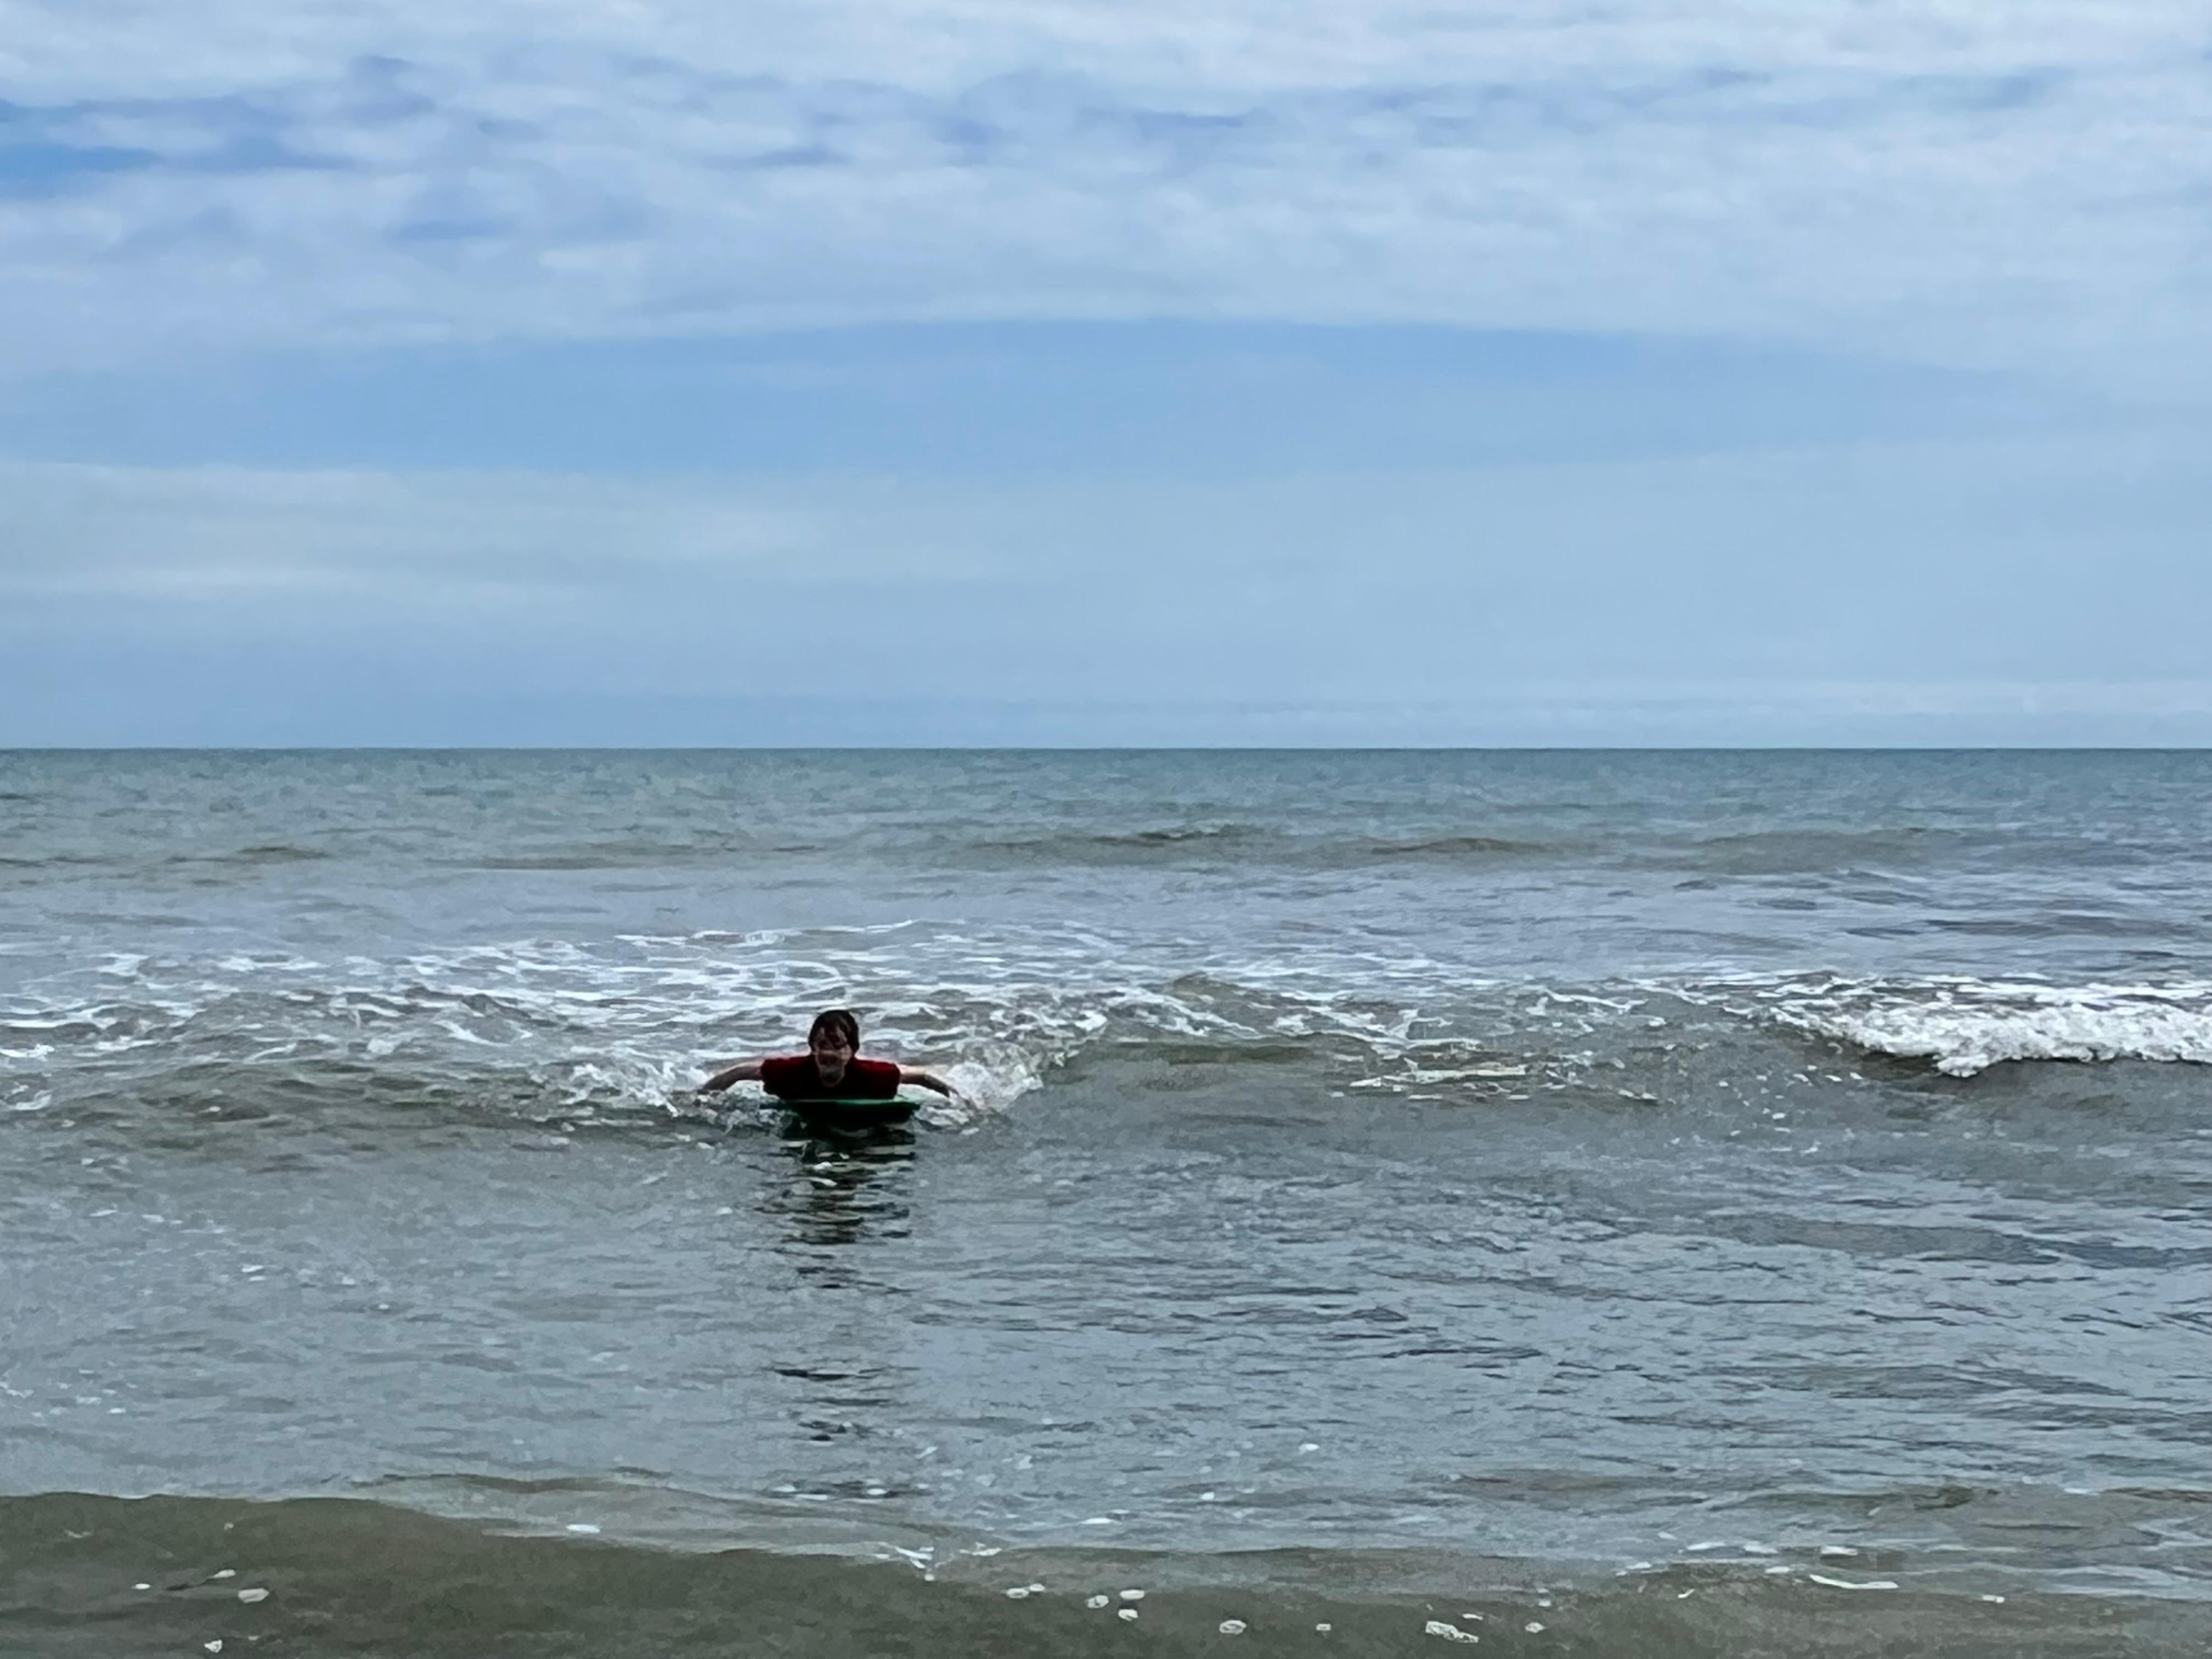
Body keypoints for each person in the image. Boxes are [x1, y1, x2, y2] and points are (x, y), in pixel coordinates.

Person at [697, 1008, 961, 1103]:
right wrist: (700, 1097)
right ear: (812, 1047)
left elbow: (922, 1077)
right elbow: (740, 1073)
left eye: (837, 1045)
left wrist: (965, 1104)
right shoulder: (792, 1073)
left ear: (852, 1050)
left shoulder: (874, 1076)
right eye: (821, 1045)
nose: (828, 1053)